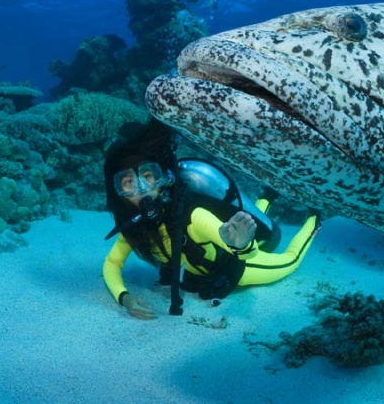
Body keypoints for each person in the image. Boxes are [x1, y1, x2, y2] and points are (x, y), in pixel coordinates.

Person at [102, 119, 321, 319]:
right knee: (249, 220)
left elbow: (241, 247)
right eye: (128, 183)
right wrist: (125, 298)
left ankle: (314, 216)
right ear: (117, 191)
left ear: (163, 179)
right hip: (229, 245)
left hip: (243, 265)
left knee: (291, 259)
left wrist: (241, 244)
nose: (141, 190)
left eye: (148, 176)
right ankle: (268, 197)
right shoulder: (135, 228)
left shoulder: (193, 216)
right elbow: (112, 263)